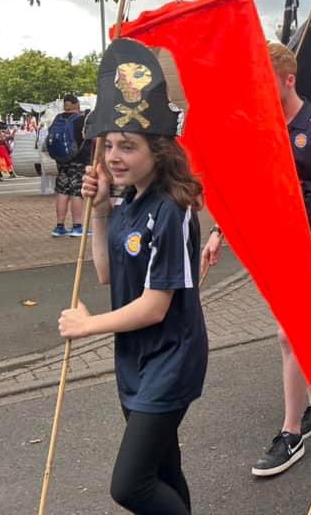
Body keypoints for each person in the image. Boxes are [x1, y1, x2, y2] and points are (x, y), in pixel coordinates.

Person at [58, 38, 207, 514]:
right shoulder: (125, 203)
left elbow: (154, 306)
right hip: (134, 360)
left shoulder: (171, 209)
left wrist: (87, 328)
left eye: (129, 146)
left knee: (131, 485)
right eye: (112, 146)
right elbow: (105, 274)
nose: (115, 156)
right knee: (164, 469)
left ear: (158, 151)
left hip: (170, 357)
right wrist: (98, 210)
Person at [205, 42, 311, 477]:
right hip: (277, 238)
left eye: (263, 80)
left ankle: (291, 432)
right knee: (297, 332)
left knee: (289, 333)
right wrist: (219, 232)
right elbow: (247, 185)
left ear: (288, 79)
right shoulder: (260, 125)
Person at [51, 94, 92, 237]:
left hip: (61, 161)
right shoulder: (81, 120)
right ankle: (77, 226)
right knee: (76, 193)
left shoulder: (57, 119)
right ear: (75, 104)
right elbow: (88, 140)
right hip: (78, 161)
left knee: (62, 192)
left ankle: (59, 226)